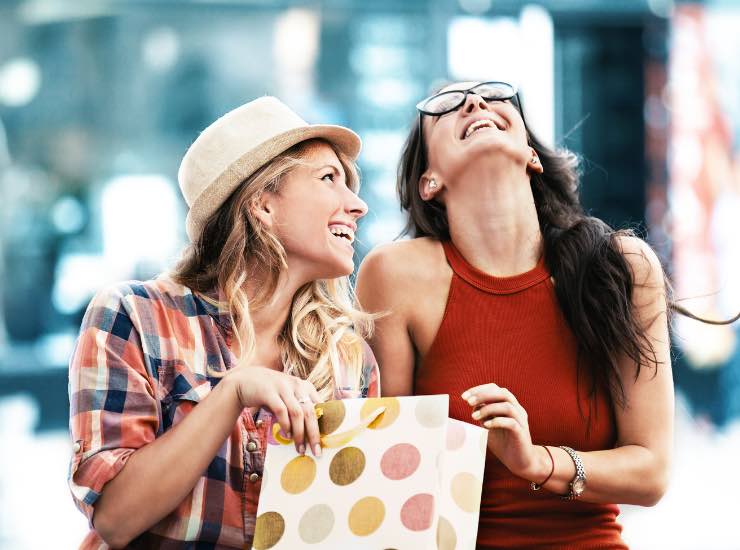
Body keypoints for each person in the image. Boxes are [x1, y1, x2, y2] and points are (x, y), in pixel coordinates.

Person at [356, 81, 674, 549]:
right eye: (445, 106)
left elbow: (651, 471)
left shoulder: (621, 266)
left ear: (531, 154)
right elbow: (392, 470)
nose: (475, 102)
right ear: (430, 181)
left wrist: (535, 463)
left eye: (493, 94)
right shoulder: (392, 274)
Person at [68, 96, 379, 549]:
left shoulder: (351, 362)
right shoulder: (133, 316)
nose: (358, 205)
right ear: (262, 205)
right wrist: (234, 392)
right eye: (329, 178)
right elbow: (116, 518)